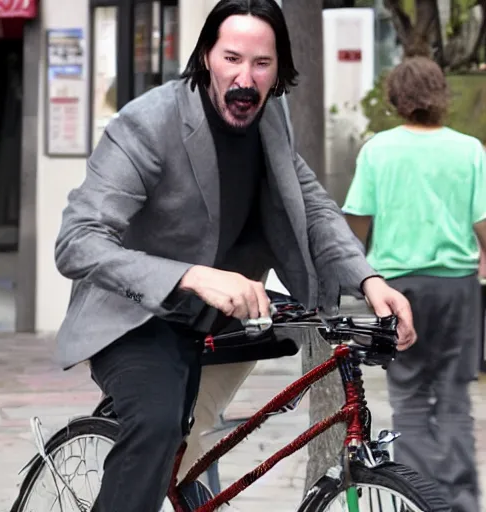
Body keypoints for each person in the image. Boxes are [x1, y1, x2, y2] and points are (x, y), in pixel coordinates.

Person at [54, 1, 417, 510]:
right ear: (206, 56)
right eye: (232, 59)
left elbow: (311, 206)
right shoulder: (147, 124)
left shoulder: (271, 118)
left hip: (227, 312)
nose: (245, 79)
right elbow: (77, 242)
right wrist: (193, 276)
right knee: (159, 423)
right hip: (136, 316)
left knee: (194, 440)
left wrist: (369, 280)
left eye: (261, 64)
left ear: (278, 70)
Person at [343, 56, 486, 512]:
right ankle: (462, 503)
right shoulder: (470, 151)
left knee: (408, 399)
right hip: (458, 289)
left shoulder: (377, 151)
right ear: (441, 93)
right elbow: (483, 226)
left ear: (395, 99)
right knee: (453, 399)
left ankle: (422, 503)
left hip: (397, 288)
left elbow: (356, 226)